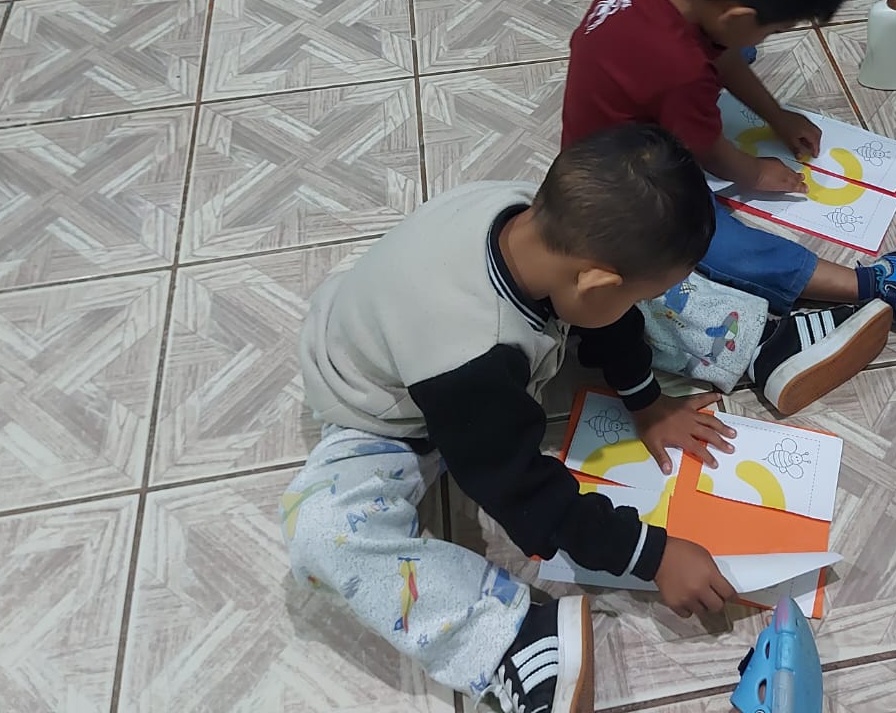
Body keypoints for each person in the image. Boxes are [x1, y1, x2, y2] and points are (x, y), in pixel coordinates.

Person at [284, 125, 744, 713]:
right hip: (384, 409)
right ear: (594, 283)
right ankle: (512, 637)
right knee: (321, 534)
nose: (631, 308)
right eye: (627, 297)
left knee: (645, 289)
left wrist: (645, 402)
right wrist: (651, 555)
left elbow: (611, 315)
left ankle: (755, 344)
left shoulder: (535, 214)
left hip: (426, 335)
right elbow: (518, 489)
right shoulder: (469, 359)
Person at [563, 0, 896, 359]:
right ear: (737, 15)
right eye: (776, 29)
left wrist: (777, 116)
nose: (772, 36)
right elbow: (709, 149)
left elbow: (721, 53)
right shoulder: (679, 71)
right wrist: (755, 173)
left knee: (728, 53)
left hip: (641, 97)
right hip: (620, 182)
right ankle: (878, 282)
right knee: (706, 245)